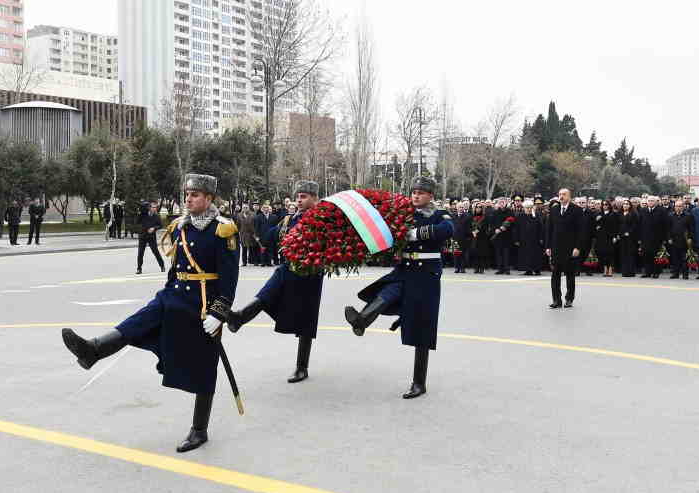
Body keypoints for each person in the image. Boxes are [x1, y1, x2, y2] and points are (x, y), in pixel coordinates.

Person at [61, 173, 238, 452]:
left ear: (209, 199)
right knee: (140, 321)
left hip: (203, 305)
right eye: (187, 194)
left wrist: (219, 312)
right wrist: (167, 290)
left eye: (195, 195)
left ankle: (199, 429)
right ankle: (93, 350)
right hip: (174, 295)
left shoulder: (223, 230)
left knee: (205, 366)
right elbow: (175, 268)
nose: (189, 199)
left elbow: (229, 278)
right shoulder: (180, 226)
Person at [344, 177, 454, 398]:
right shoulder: (404, 214)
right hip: (404, 269)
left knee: (422, 327)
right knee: (386, 293)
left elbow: (447, 229)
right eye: (413, 192)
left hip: (426, 275)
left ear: (430, 195)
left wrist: (417, 233)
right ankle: (362, 320)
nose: (416, 195)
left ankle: (419, 382)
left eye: (421, 192)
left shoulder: (439, 214)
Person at [227, 181, 325, 383]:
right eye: (298, 196)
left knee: (306, 319)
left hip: (310, 272)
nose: (299, 200)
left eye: (304, 196)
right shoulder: (290, 218)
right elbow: (271, 236)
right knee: (269, 291)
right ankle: (239, 317)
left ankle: (301, 367)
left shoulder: (322, 218)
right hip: (289, 267)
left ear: (315, 198)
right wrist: (257, 234)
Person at [546, 188, 589, 309]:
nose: (561, 196)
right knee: (555, 275)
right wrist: (548, 246)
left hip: (570, 248)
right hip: (556, 248)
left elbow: (581, 231)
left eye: (564, 194)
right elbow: (549, 229)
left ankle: (569, 299)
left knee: (570, 275)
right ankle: (556, 300)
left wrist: (578, 247)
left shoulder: (577, 210)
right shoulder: (554, 209)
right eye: (559, 194)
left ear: (569, 196)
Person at [638, 196, 669, 278]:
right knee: (646, 255)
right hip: (645, 238)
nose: (650, 202)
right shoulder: (643, 210)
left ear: (656, 202)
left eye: (652, 201)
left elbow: (665, 225)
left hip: (657, 238)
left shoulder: (662, 211)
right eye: (649, 201)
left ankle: (656, 272)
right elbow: (639, 225)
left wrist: (664, 238)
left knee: (656, 255)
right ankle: (647, 272)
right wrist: (640, 238)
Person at [516, 199, 546, 276]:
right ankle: (528, 270)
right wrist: (517, 239)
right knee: (525, 255)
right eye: (527, 208)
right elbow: (517, 229)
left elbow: (541, 228)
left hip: (535, 240)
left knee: (536, 255)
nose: (529, 209)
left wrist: (541, 238)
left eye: (530, 207)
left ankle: (537, 270)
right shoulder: (520, 216)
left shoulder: (536, 215)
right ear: (524, 208)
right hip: (524, 240)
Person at [667, 199, 693, 279]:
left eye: (680, 206)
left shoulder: (688, 216)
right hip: (674, 240)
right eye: (676, 206)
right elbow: (668, 228)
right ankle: (675, 273)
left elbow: (691, 228)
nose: (678, 208)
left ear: (683, 207)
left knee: (684, 258)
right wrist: (669, 238)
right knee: (675, 258)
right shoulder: (671, 215)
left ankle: (685, 274)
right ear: (674, 207)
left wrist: (690, 238)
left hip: (684, 240)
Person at [592, 199, 619, 277]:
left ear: (609, 205)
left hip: (610, 236)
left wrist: (615, 236)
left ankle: (610, 269)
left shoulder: (613, 214)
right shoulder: (599, 214)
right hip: (601, 236)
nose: (604, 206)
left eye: (606, 204)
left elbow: (615, 226)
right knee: (603, 253)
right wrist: (597, 224)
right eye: (603, 205)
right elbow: (595, 224)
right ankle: (605, 269)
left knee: (610, 253)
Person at [137, 201, 165, 274]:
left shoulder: (156, 216)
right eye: (153, 207)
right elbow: (138, 222)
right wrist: (140, 213)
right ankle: (139, 269)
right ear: (149, 208)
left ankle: (162, 266)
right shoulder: (143, 215)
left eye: (155, 207)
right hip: (143, 236)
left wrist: (154, 228)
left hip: (151, 237)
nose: (154, 208)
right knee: (140, 253)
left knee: (156, 252)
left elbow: (160, 225)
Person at [618, 199, 639, 277]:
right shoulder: (620, 213)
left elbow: (635, 225)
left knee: (630, 254)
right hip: (622, 237)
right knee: (623, 254)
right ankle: (625, 271)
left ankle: (631, 272)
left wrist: (629, 232)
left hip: (630, 237)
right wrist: (619, 234)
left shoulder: (633, 214)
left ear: (630, 205)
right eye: (624, 204)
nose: (625, 205)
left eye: (627, 204)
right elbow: (618, 225)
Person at [452, 202, 472, 274]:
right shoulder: (453, 215)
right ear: (457, 208)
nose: (461, 208)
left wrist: (469, 236)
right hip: (455, 237)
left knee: (463, 254)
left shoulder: (467, 216)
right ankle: (457, 267)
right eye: (459, 207)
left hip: (464, 237)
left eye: (462, 207)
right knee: (456, 253)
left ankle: (462, 268)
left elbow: (470, 227)